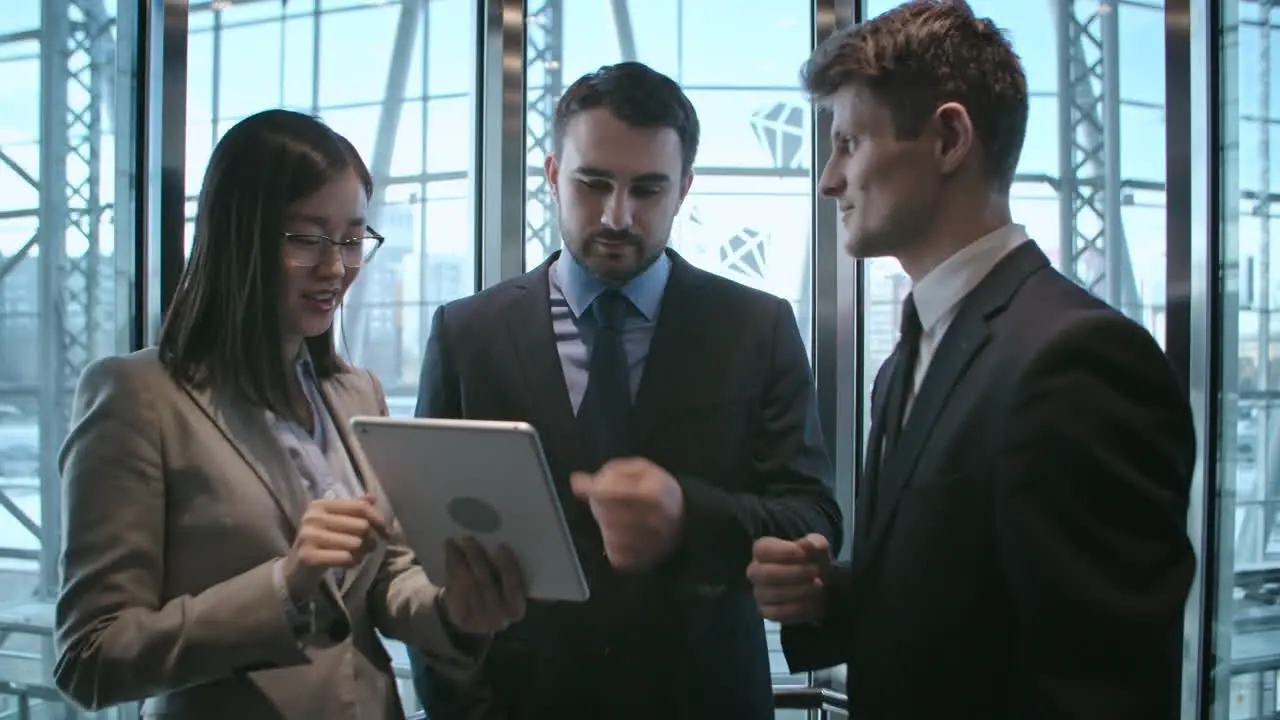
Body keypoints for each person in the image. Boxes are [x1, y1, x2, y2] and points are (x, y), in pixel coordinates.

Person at [746, 2, 1197, 719]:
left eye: (848, 143)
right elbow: (965, 600)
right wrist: (832, 593)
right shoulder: (908, 361)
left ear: (949, 137)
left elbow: (1100, 682)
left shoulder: (1077, 360)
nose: (829, 179)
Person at [53, 109, 527, 719]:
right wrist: (285, 585)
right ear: (240, 237)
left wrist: (453, 609)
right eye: (308, 238)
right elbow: (90, 656)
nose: (336, 267)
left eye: (354, 239)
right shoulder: (138, 397)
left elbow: (387, 578)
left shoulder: (357, 393)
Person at [408, 61, 843, 719]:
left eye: (647, 189)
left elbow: (812, 518)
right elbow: (429, 554)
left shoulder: (757, 326)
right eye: (592, 184)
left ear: (684, 188)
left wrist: (687, 518)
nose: (618, 215)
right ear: (553, 175)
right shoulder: (466, 333)